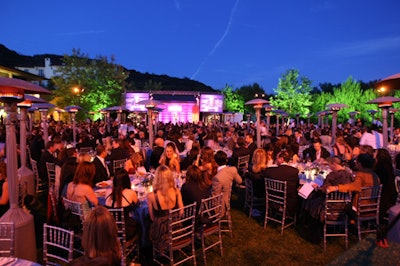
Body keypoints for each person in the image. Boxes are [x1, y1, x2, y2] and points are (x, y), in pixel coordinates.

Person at [147, 165, 184, 252]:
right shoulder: (176, 191)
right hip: (176, 231)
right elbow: (181, 211)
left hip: (161, 236)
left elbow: (152, 218)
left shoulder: (151, 196)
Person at [264, 150, 299, 217]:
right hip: (288, 201)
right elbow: (296, 186)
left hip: (272, 199)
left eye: (277, 158)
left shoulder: (270, 171)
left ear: (281, 159)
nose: (276, 160)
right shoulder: (294, 171)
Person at [105, 169, 138, 239]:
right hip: (125, 231)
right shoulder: (130, 192)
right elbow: (137, 204)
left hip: (108, 229)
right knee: (140, 223)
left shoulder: (107, 192)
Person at [211, 151, 242, 217]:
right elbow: (240, 181)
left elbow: (215, 197)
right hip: (227, 197)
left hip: (220, 204)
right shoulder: (233, 169)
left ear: (216, 162)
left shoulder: (217, 178)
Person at [374, 148, 397, 223]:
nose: (373, 155)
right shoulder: (389, 169)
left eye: (375, 154)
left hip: (383, 198)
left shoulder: (379, 170)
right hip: (390, 196)